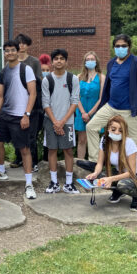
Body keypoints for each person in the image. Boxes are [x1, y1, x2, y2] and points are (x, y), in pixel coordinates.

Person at [86, 34, 137, 162]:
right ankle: (94, 162)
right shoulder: (111, 63)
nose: (120, 48)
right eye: (117, 46)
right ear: (114, 48)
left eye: (123, 46)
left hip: (128, 110)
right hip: (111, 106)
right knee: (91, 127)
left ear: (129, 47)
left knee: (132, 139)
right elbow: (109, 85)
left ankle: (136, 172)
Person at [0, 40, 37, 199]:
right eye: (7, 50)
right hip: (4, 114)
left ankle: (29, 184)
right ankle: (1, 171)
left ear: (18, 51)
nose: (9, 53)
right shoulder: (3, 71)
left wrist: (27, 115)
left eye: (12, 50)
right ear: (4, 53)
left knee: (24, 149)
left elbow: (33, 93)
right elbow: (1, 96)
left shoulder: (26, 69)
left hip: (20, 116)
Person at [85, 115, 137, 211]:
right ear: (108, 129)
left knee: (122, 184)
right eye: (113, 129)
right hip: (120, 173)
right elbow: (99, 163)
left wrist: (111, 178)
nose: (117, 132)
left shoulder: (129, 143)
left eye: (120, 130)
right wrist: (95, 173)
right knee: (99, 179)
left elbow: (132, 172)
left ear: (124, 132)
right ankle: (118, 191)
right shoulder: (104, 141)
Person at [42, 49, 81, 194]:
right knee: (52, 150)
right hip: (50, 121)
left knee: (68, 151)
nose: (59, 61)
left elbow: (74, 101)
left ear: (66, 61)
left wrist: (62, 122)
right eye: (56, 58)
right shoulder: (47, 80)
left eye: (62, 58)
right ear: (52, 62)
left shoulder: (73, 79)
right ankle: (54, 183)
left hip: (68, 122)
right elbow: (45, 103)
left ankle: (69, 184)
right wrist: (55, 122)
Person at [11, 33, 43, 172]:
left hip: (33, 103)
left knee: (31, 134)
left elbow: (39, 81)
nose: (22, 45)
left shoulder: (34, 61)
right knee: (17, 132)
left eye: (24, 43)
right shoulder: (11, 61)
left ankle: (34, 161)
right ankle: (19, 158)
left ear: (27, 45)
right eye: (19, 43)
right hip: (17, 102)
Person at [74, 51, 105, 160]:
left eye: (92, 59)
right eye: (88, 59)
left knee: (93, 140)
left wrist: (90, 113)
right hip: (81, 110)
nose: (90, 61)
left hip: (95, 111)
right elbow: (76, 97)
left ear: (96, 61)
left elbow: (101, 98)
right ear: (84, 62)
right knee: (81, 140)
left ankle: (94, 164)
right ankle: (80, 163)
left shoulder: (101, 77)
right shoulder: (79, 77)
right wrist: (83, 113)